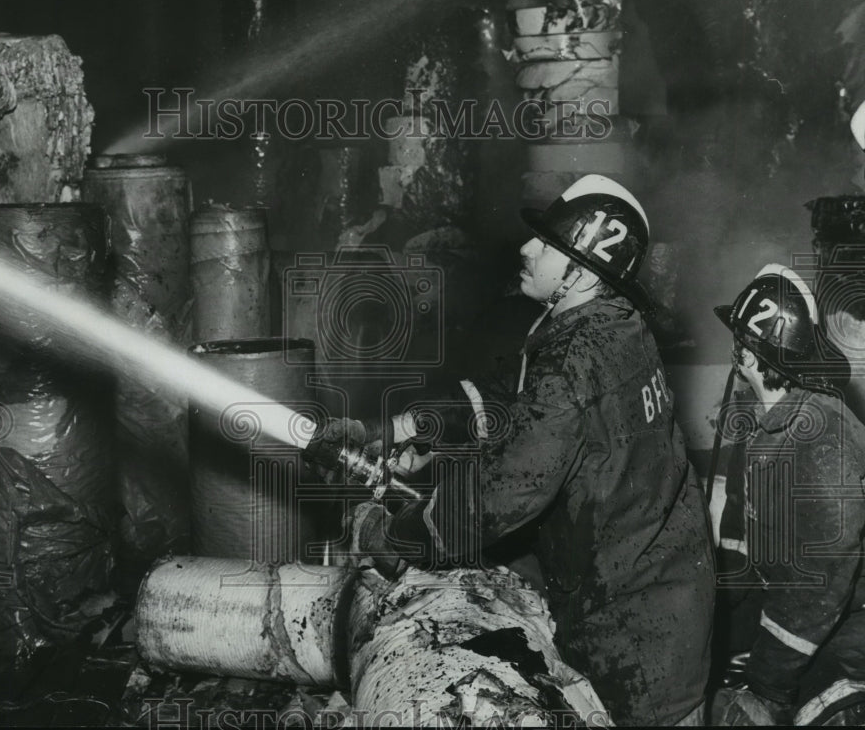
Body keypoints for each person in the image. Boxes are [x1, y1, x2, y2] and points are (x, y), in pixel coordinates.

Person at [306, 175, 715, 726]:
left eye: (548, 244)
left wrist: (403, 535)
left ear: (582, 270)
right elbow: (524, 411)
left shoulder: (577, 356)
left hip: (637, 640)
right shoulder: (614, 326)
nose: (526, 248)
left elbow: (503, 493)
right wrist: (416, 425)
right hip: (660, 601)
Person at [712, 265, 865, 725]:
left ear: (751, 355)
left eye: (738, 341)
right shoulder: (762, 417)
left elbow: (820, 580)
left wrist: (768, 684)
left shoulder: (821, 437)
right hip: (806, 619)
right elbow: (741, 527)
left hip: (849, 629)